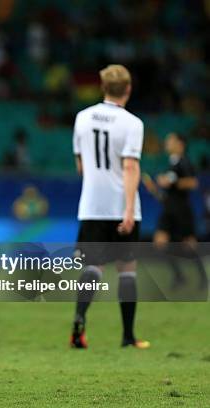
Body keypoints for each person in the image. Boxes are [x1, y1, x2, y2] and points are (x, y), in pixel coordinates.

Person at [70, 65, 149, 349]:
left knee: (93, 267)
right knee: (127, 270)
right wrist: (129, 210)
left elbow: (81, 166)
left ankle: (79, 322)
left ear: (103, 87)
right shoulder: (133, 123)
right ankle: (128, 336)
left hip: (92, 206)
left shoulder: (82, 118)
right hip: (121, 206)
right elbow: (130, 166)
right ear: (128, 89)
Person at [142, 133, 207, 289]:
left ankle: (204, 278)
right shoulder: (171, 164)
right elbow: (167, 194)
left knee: (189, 245)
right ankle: (179, 276)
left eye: (170, 140)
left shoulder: (184, 162)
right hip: (168, 210)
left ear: (180, 144)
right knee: (160, 242)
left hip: (182, 210)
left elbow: (193, 183)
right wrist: (154, 189)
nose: (167, 143)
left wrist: (171, 181)